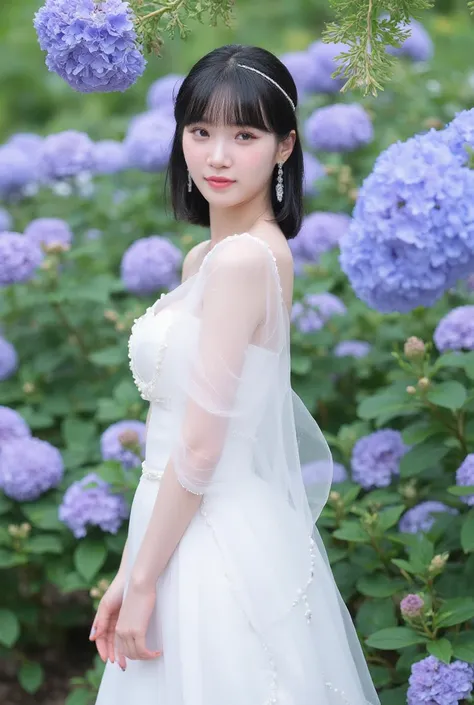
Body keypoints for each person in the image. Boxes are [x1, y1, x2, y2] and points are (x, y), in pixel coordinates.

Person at [91, 44, 381, 705]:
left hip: (214, 539)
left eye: (244, 135)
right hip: (178, 527)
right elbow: (172, 446)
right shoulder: (209, 257)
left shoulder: (243, 263)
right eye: (200, 132)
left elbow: (200, 445)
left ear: (284, 147)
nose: (217, 156)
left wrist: (143, 583)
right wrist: (133, 569)